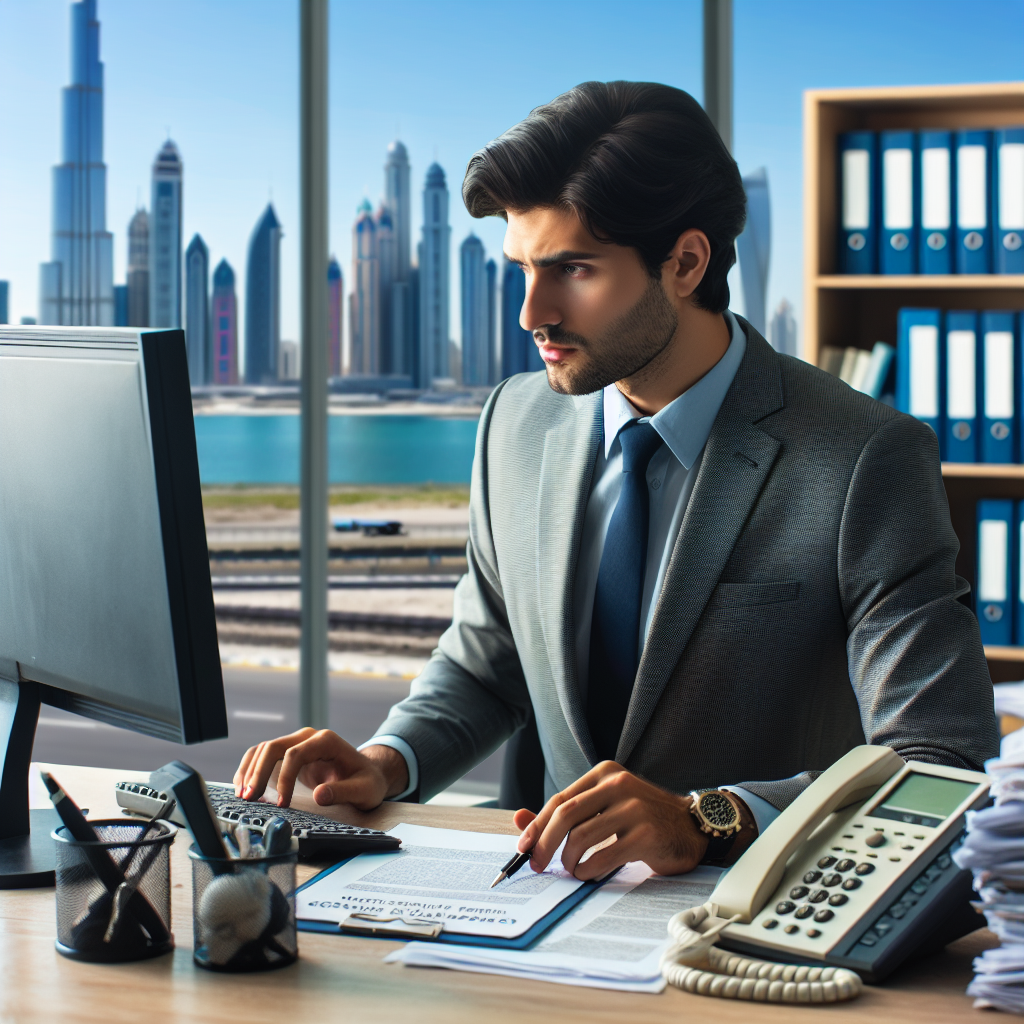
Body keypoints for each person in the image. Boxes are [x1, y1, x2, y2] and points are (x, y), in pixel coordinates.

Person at [235, 81, 998, 881]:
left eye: (573, 269)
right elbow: (488, 659)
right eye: (523, 269)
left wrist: (711, 817)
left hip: (760, 922)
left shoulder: (865, 458)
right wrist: (388, 761)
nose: (532, 312)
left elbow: (940, 761)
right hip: (544, 912)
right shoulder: (513, 423)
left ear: (686, 262)